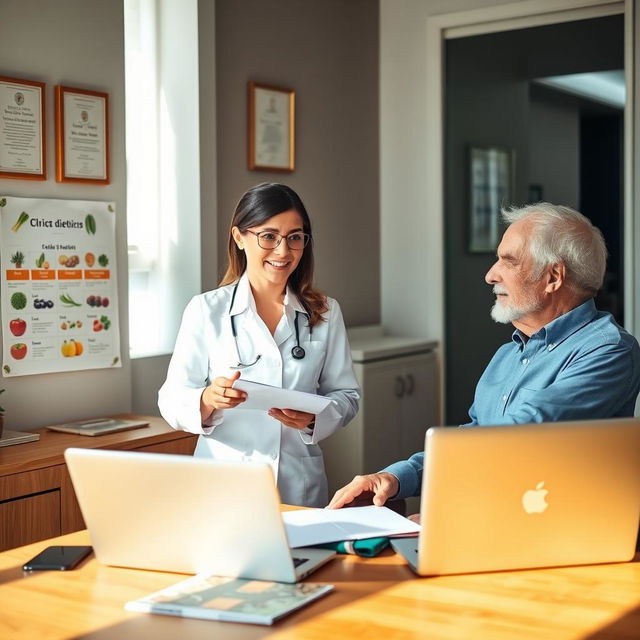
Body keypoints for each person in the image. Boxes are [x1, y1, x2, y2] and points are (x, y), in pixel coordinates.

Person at [328, 203, 640, 510]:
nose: (490, 275)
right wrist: (395, 478)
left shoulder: (608, 350)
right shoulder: (509, 354)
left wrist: (447, 510)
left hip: (560, 537)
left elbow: (519, 439)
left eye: (509, 261)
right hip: (495, 520)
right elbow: (476, 437)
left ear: (553, 277)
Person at [159, 183, 360, 507]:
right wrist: (208, 399)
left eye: (295, 237)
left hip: (298, 484)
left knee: (307, 559)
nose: (283, 251)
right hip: (223, 486)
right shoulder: (206, 310)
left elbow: (347, 396)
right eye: (268, 236)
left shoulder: (323, 312)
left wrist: (312, 419)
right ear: (239, 237)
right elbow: (171, 399)